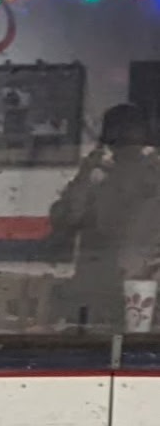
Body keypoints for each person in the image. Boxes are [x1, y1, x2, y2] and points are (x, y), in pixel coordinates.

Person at [48, 101, 160, 332]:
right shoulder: (105, 177)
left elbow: (64, 220)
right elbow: (64, 220)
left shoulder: (96, 178)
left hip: (98, 292)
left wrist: (85, 173)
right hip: (142, 293)